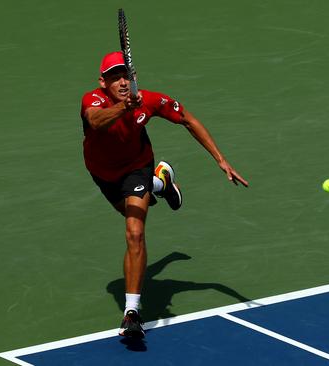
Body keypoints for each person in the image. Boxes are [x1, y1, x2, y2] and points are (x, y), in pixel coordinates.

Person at [80, 51, 248, 338]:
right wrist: (123, 108)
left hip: (136, 167)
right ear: (102, 81)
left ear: (134, 78)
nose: (121, 82)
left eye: (126, 76)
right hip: (102, 173)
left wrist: (220, 159)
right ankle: (163, 183)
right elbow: (96, 121)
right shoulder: (92, 100)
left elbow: (187, 119)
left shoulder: (150, 100)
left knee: (134, 232)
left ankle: (131, 314)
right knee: (128, 210)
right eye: (114, 77)